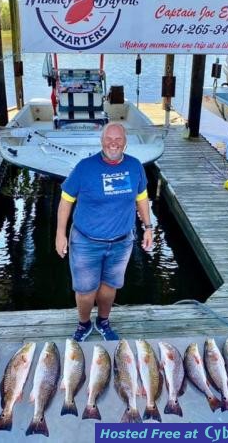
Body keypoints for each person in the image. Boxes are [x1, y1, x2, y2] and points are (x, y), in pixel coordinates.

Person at [55, 122, 153, 341]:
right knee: (86, 291)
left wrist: (148, 227)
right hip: (86, 241)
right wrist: (60, 234)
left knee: (110, 287)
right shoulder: (85, 167)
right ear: (101, 142)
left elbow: (142, 198)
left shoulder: (135, 166)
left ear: (125, 143)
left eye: (118, 139)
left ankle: (103, 321)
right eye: (109, 139)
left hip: (121, 242)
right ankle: (83, 324)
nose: (113, 144)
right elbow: (65, 201)